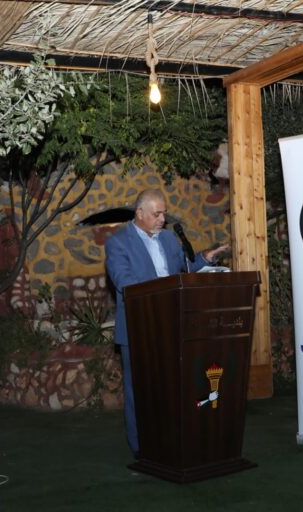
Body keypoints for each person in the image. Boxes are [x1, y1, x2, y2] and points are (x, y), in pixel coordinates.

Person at [104, 188, 229, 457]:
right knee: (140, 391)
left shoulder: (170, 239)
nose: (163, 219)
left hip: (173, 324)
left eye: (164, 213)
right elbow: (124, 281)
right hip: (139, 326)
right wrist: (162, 289)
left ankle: (172, 442)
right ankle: (142, 449)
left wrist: (204, 259)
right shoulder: (118, 242)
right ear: (139, 213)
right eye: (157, 214)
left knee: (172, 388)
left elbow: (184, 269)